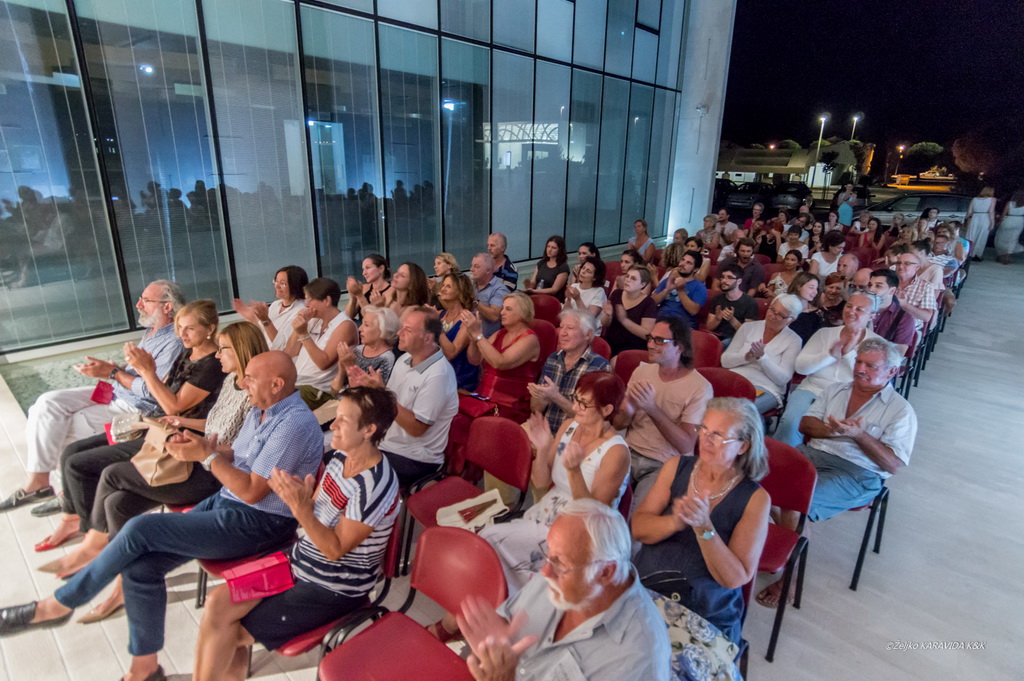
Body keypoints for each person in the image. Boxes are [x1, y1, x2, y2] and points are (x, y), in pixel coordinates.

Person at [0, 352, 324, 681]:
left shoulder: (294, 424)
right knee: (140, 567)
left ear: (277, 384)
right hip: (226, 504)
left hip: (259, 523)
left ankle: (58, 605)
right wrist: (200, 445)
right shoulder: (263, 409)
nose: (242, 384)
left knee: (141, 527)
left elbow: (253, 492)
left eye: (250, 379)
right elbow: (237, 455)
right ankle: (145, 670)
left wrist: (207, 456)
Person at [40, 322, 268, 623]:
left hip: (211, 473)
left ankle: (94, 547)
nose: (218, 355)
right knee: (115, 502)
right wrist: (181, 423)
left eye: (223, 349)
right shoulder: (230, 381)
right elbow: (213, 424)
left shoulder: (254, 392)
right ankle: (123, 581)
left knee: (111, 475)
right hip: (195, 453)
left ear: (240, 351)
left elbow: (241, 449)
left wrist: (203, 446)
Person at [191, 387, 401, 681]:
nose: (333, 424)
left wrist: (300, 508)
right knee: (218, 604)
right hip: (300, 560)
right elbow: (317, 511)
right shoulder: (340, 458)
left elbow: (334, 550)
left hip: (334, 585)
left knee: (233, 628)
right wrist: (303, 498)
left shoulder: (375, 485)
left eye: (343, 420)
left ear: (369, 430)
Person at [37, 300, 225, 558]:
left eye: (189, 329)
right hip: (155, 425)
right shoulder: (188, 351)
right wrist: (140, 372)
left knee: (79, 465)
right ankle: (77, 520)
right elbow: (163, 392)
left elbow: (173, 406)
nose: (182, 334)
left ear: (210, 329)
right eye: (180, 327)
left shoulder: (212, 365)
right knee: (71, 452)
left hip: (174, 435)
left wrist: (146, 372)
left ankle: (93, 537)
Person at [2, 281, 185, 514]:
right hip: (115, 391)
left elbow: (152, 390)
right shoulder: (152, 331)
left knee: (63, 428)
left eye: (146, 301)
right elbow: (139, 373)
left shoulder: (175, 341)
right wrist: (114, 370)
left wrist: (112, 373)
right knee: (45, 404)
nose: (138, 304)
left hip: (134, 406)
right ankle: (38, 481)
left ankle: (64, 493)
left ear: (167, 307)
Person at [757, 339, 916, 607]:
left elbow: (893, 465)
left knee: (795, 503)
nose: (861, 369)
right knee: (751, 477)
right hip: (814, 455)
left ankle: (791, 578)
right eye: (859, 362)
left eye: (871, 365)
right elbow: (806, 424)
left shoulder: (901, 410)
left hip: (858, 474)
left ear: (891, 372)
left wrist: (859, 436)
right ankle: (777, 538)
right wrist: (834, 430)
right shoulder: (836, 389)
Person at [456, 499, 672, 681]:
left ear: (605, 573)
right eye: (549, 555)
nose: (545, 572)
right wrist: (498, 646)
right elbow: (506, 623)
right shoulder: (556, 576)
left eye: (560, 563)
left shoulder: (641, 659)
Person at [632, 397, 769, 645]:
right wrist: (676, 521)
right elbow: (639, 529)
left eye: (718, 435)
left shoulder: (756, 499)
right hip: (646, 588)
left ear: (742, 446)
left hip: (703, 610)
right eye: (704, 428)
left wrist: (704, 529)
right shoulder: (676, 467)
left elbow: (735, 578)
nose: (705, 439)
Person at [481, 371, 628, 593]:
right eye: (576, 398)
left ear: (606, 410)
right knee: (489, 543)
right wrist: (541, 448)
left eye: (584, 404)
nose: (575, 407)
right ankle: (503, 604)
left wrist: (574, 471)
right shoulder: (569, 426)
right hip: (548, 513)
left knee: (490, 540)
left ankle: (510, 606)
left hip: (581, 531)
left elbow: (594, 514)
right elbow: (541, 482)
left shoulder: (616, 451)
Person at [349, 307, 458, 488]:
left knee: (355, 480)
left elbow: (417, 428)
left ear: (427, 338)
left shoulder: (439, 375)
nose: (399, 333)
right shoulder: (404, 359)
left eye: (407, 330)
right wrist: (366, 389)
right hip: (387, 443)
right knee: (335, 458)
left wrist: (383, 393)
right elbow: (388, 408)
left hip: (414, 457)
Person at [614, 318, 712, 505]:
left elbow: (685, 445)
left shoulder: (700, 387)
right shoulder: (642, 372)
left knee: (638, 524)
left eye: (659, 340)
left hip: (664, 464)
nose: (650, 345)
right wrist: (626, 411)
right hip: (629, 452)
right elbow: (619, 424)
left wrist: (652, 409)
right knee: (597, 504)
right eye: (650, 338)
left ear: (680, 348)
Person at [773, 293, 882, 446]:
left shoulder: (878, 345)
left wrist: (848, 353)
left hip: (847, 397)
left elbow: (871, 381)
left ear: (872, 316)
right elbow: (801, 368)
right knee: (790, 422)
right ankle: (784, 462)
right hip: (812, 389)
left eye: (859, 309)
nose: (851, 311)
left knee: (838, 436)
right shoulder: (824, 333)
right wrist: (829, 355)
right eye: (849, 306)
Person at [529, 310, 610, 434]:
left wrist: (555, 397)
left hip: (576, 436)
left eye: (570, 328)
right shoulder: (553, 359)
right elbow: (535, 409)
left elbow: (592, 418)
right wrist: (540, 399)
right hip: (545, 431)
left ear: (587, 334)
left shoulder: (600, 367)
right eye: (561, 327)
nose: (562, 333)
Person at [720, 294, 804, 413]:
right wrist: (747, 356)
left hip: (766, 387)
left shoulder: (794, 340)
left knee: (739, 412)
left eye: (780, 315)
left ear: (791, 319)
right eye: (772, 310)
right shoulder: (748, 327)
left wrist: (762, 358)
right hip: (735, 378)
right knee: (705, 400)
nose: (772, 316)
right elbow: (725, 361)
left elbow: (783, 379)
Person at [464, 293, 541, 420]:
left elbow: (499, 363)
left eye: (508, 309)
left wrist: (478, 335)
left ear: (523, 314)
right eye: (503, 308)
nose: (501, 312)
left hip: (509, 406)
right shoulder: (500, 333)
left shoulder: (530, 339)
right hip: (483, 400)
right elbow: (474, 360)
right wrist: (473, 338)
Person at [286, 278, 358, 409]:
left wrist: (303, 334)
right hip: (298, 383)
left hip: (319, 390)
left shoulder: (345, 325)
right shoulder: (314, 321)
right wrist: (298, 327)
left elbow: (324, 363)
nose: (306, 304)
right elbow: (290, 352)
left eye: (310, 299)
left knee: (278, 400)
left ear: (326, 301)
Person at [233, 265, 309, 351]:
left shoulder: (302, 310)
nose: (276, 286)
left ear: (295, 285)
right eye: (276, 281)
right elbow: (264, 332)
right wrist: (251, 318)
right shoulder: (275, 305)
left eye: (282, 283)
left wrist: (266, 320)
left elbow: (283, 346)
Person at [329, 305, 398, 394]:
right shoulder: (357, 350)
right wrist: (342, 365)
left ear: (383, 331)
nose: (360, 328)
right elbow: (334, 391)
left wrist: (349, 367)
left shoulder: (387, 359)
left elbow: (366, 398)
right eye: (361, 323)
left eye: (366, 325)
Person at [437, 272, 481, 391]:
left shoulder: (467, 319)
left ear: (460, 291)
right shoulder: (441, 315)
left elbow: (452, 353)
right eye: (444, 285)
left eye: (448, 286)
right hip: (440, 375)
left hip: (459, 380)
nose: (443, 289)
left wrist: (435, 327)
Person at [601, 266, 658, 355]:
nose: (627, 280)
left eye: (633, 279)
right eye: (627, 276)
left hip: (633, 348)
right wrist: (608, 315)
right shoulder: (617, 294)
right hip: (611, 343)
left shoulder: (649, 303)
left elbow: (647, 335)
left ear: (642, 285)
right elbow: (605, 323)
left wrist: (625, 321)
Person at [704, 264, 757, 349]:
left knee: (721, 345)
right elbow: (709, 327)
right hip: (716, 336)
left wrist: (732, 319)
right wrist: (717, 319)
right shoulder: (716, 299)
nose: (724, 281)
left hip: (735, 338)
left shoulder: (749, 302)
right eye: (722, 277)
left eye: (729, 277)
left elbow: (747, 334)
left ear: (739, 281)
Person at [652, 248, 707, 329]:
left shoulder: (699, 286)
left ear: (695, 269)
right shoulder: (669, 280)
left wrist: (680, 290)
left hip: (682, 325)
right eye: (682, 260)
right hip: (661, 320)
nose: (683, 264)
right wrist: (667, 289)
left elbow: (693, 310)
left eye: (688, 263)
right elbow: (653, 302)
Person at [866, 269, 916, 348]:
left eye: (878, 286)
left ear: (892, 291)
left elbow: (898, 355)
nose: (871, 289)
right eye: (869, 285)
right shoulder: (861, 308)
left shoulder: (904, 318)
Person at [893, 250, 938, 332]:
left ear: (917, 267)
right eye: (899, 263)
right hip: (883, 323)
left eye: (907, 263)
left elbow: (927, 317)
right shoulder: (888, 281)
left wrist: (905, 305)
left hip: (909, 330)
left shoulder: (925, 287)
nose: (901, 266)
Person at [470, 252, 510, 338]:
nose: (471, 269)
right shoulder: (471, 285)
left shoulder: (500, 290)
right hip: (466, 334)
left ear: (488, 270)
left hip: (485, 339)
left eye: (476, 266)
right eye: (472, 266)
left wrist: (474, 299)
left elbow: (494, 316)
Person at [563, 255, 607, 330]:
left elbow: (589, 319)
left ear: (595, 277)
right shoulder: (574, 286)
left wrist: (578, 299)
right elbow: (564, 314)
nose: (583, 272)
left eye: (588, 271)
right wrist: (569, 300)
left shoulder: (599, 292)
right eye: (583, 268)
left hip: (587, 331)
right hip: (571, 326)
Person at [344, 254, 391, 320]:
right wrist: (352, 297)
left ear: (381, 268)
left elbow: (373, 321)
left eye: (368, 268)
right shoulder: (364, 288)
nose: (364, 273)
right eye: (363, 269)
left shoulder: (391, 291)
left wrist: (360, 296)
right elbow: (347, 317)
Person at [523, 235, 570, 301]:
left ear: (560, 250)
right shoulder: (541, 263)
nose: (549, 250)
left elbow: (554, 290)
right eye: (548, 247)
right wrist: (529, 285)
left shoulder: (563, 267)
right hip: (537, 296)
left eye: (553, 248)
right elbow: (533, 283)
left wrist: (535, 291)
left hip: (551, 299)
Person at [787, 272, 826, 343]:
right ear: (799, 286)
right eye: (811, 287)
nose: (815, 292)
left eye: (816, 288)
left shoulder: (817, 314)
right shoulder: (783, 307)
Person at [965, 187, 996, 261]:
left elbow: (969, 212)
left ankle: (968, 253)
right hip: (985, 217)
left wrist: (967, 220)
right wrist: (992, 222)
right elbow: (991, 211)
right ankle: (977, 254)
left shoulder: (974, 199)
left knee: (971, 235)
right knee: (982, 236)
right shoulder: (992, 199)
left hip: (975, 217)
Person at [995, 189, 1024, 264]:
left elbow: (1004, 214)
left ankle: (999, 255)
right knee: (1013, 239)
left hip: (1009, 220)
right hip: (1019, 221)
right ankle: (1007, 257)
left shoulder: (1009, 203)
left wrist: (999, 221)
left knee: (1001, 238)